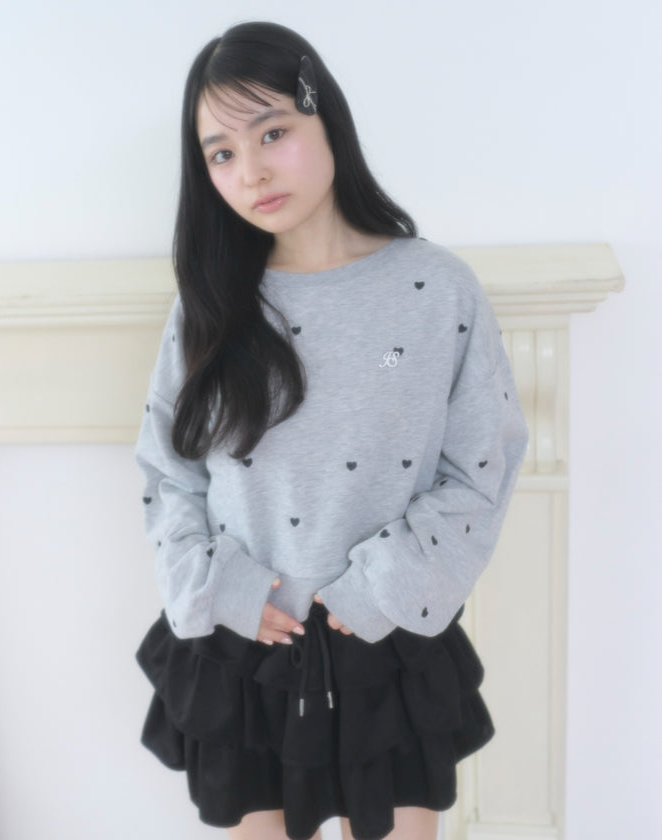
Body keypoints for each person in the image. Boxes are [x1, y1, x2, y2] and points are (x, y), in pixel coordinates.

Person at [134, 19, 529, 840]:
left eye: (272, 132)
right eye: (221, 153)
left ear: (326, 118)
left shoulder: (437, 289)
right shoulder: (210, 307)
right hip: (244, 646)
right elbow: (169, 475)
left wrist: (380, 588)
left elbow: (480, 469)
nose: (251, 170)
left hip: (389, 643)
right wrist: (225, 590)